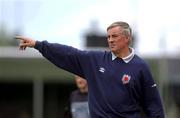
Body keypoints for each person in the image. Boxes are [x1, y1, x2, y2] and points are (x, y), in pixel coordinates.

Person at [16, 21, 165, 118]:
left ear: (127, 38)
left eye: (114, 36)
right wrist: (38, 44)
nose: (110, 40)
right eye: (108, 37)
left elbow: (153, 105)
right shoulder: (95, 60)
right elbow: (68, 53)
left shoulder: (141, 67)